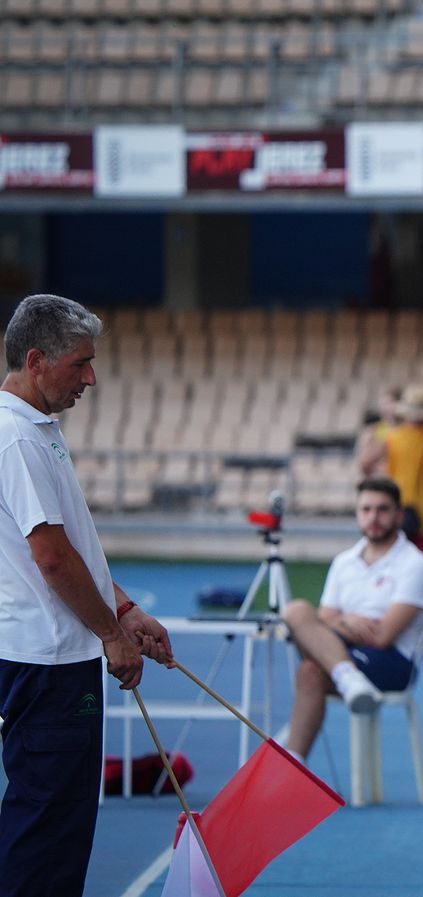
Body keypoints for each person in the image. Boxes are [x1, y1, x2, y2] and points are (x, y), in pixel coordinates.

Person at [0, 294, 174, 897]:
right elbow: (50, 558)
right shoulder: (17, 439)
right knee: (49, 826)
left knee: (52, 820)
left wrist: (124, 610)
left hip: (45, 655)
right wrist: (109, 634)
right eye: (80, 363)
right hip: (47, 661)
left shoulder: (32, 431)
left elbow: (69, 549)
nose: (91, 378)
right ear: (36, 359)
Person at [279, 478, 423, 762]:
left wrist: (337, 624)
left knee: (311, 664)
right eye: (366, 509)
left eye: (382, 509)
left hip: (393, 662)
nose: (373, 517)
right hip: (347, 654)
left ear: (399, 515)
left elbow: (382, 636)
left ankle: (291, 755)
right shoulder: (344, 562)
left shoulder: (415, 564)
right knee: (296, 614)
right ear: (357, 513)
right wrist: (348, 623)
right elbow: (321, 623)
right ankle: (295, 764)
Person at [358, 383, 423, 573]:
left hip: (395, 515)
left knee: (392, 570)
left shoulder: (392, 439)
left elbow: (364, 464)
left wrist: (384, 477)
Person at [356, 386, 402, 477]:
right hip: (380, 479)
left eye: (390, 403)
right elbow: (363, 463)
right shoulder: (372, 431)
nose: (385, 407)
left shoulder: (407, 431)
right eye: (384, 403)